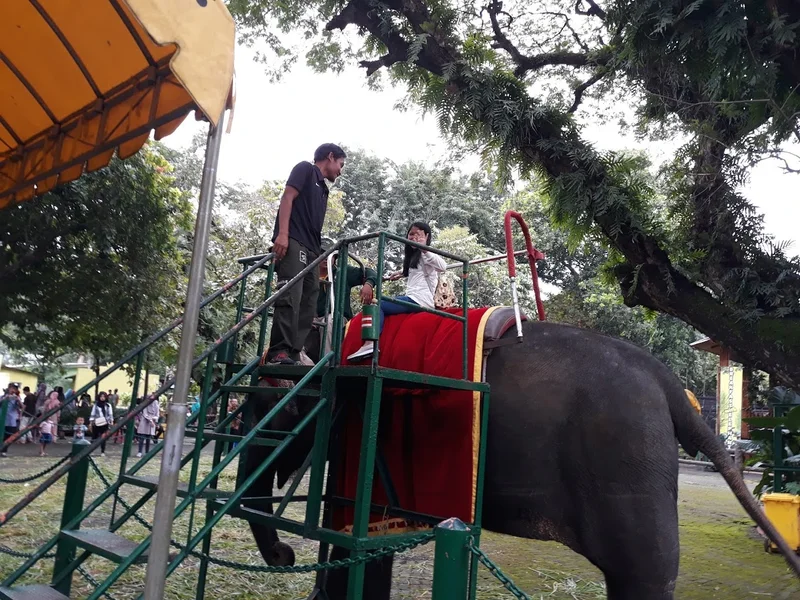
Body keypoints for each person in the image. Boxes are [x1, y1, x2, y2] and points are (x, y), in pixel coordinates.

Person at [266, 143, 347, 366]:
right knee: (290, 294)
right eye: (340, 164)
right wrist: (282, 234)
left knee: (309, 299)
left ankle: (294, 351)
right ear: (330, 157)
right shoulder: (304, 169)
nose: (340, 170)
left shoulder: (323, 189)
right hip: (293, 240)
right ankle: (278, 350)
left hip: (313, 249)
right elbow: (287, 198)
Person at [348, 221, 446, 361]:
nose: (414, 238)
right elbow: (415, 271)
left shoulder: (426, 254)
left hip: (419, 300)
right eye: (411, 234)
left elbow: (443, 266)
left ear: (427, 236)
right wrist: (401, 272)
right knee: (385, 301)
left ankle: (371, 343)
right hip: (413, 297)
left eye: (419, 235)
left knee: (379, 303)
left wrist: (424, 248)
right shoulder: (414, 256)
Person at [304, 253, 378, 361]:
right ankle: (302, 363)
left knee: (329, 321)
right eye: (322, 254)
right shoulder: (308, 275)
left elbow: (370, 272)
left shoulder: (342, 272)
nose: (326, 258)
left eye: (330, 255)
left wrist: (369, 284)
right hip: (313, 317)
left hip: (337, 317)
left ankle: (327, 364)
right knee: (298, 322)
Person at [1, 384, 23, 457]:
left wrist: (18, 400)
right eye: (12, 388)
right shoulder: (3, 397)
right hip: (2, 420)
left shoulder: (16, 399)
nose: (13, 390)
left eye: (15, 389)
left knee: (9, 436)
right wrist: (5, 398)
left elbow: (22, 407)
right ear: (9, 389)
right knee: (1, 435)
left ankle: (4, 450)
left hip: (11, 421)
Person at [90, 392, 114, 457]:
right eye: (101, 396)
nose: (102, 398)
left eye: (104, 396)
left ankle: (102, 451)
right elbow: (93, 413)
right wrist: (91, 421)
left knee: (103, 438)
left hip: (105, 423)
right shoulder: (96, 405)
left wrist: (111, 421)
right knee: (94, 437)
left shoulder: (108, 405)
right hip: (96, 423)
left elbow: (110, 414)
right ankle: (90, 450)